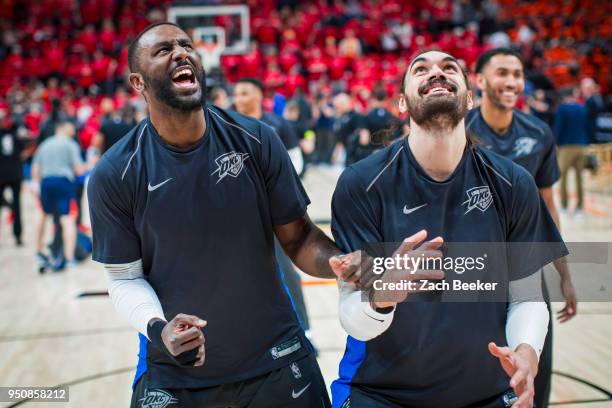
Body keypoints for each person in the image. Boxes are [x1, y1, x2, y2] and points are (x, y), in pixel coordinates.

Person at [87, 22, 359, 408]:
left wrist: (345, 263)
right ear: (138, 83)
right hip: (176, 370)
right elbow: (124, 278)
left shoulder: (257, 139)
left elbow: (298, 238)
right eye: (163, 50)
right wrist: (158, 328)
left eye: (186, 46)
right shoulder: (115, 173)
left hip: (276, 358)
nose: (181, 53)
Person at [331, 50, 568, 408]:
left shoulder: (513, 182)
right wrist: (381, 297)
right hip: (381, 394)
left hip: (487, 392)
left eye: (449, 68)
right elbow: (354, 320)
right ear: (402, 102)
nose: (437, 73)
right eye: (421, 69)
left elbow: (526, 297)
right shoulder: (360, 184)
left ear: (470, 98)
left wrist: (526, 351)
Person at [468, 47, 579, 408]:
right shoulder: (459, 130)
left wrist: (564, 272)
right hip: (474, 264)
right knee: (478, 357)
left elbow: (548, 206)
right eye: (502, 72)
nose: (512, 81)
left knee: (534, 360)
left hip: (526, 265)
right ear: (480, 80)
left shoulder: (539, 133)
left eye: (518, 74)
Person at [232, 77, 312, 339]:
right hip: (240, 213)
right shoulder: (227, 126)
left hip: (274, 211)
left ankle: (304, 331)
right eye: (236, 94)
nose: (238, 98)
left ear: (257, 95)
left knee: (286, 273)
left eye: (244, 92)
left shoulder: (279, 124)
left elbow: (296, 163)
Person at [32, 120, 84, 272]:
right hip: (63, 183)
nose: (74, 132)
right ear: (63, 128)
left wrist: (38, 186)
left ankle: (38, 252)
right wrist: (91, 164)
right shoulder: (70, 144)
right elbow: (79, 170)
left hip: (46, 183)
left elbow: (36, 170)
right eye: (72, 129)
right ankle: (69, 259)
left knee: (42, 215)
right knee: (67, 219)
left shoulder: (44, 145)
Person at [554, 87, 590, 215]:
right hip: (581, 145)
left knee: (563, 177)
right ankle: (580, 207)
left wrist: (556, 143)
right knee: (579, 178)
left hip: (566, 147)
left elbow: (558, 127)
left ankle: (564, 205)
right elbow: (587, 126)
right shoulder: (583, 108)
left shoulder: (562, 109)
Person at [0, 108, 25, 246]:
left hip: (4, 174)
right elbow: (24, 150)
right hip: (14, 173)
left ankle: (18, 235)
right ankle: (18, 235)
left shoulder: (13, 134)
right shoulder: (14, 134)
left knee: (16, 206)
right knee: (17, 206)